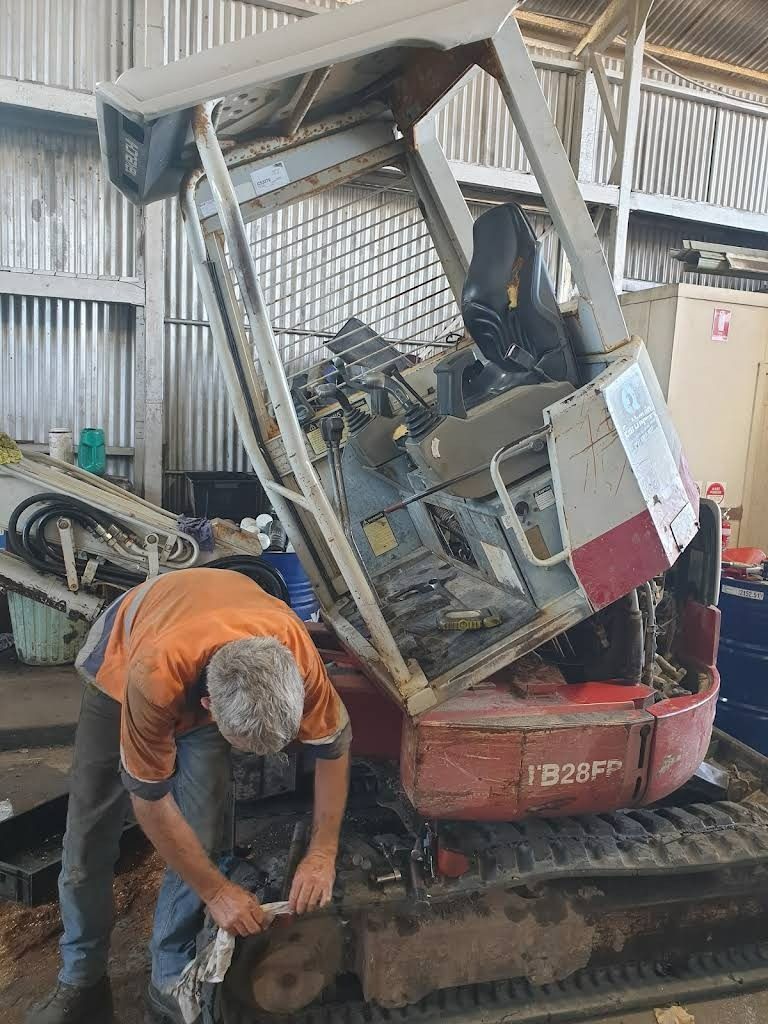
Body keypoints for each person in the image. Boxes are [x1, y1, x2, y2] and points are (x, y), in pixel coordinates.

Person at [26, 567, 351, 1024]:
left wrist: (323, 852)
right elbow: (150, 800)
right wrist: (216, 892)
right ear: (208, 708)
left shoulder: (296, 657)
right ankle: (81, 980)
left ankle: (171, 980)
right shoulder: (151, 676)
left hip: (217, 649)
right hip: (126, 657)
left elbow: (334, 748)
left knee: (201, 836)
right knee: (89, 836)